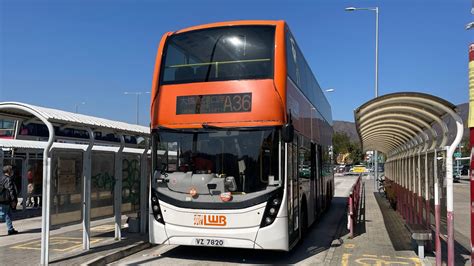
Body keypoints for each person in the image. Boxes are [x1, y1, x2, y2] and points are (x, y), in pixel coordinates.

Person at [0, 165, 19, 235]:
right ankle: (10, 229)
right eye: (11, 170)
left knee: (8, 215)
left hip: (2, 199)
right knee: (1, 216)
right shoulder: (8, 179)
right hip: (5, 200)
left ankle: (10, 229)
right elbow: (11, 190)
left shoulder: (1, 177)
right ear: (9, 171)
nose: (12, 172)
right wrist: (13, 200)